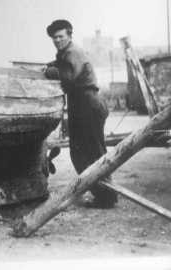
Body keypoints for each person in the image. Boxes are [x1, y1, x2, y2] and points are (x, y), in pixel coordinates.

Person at [44, 19, 118, 208]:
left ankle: (107, 197)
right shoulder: (65, 53)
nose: (57, 40)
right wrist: (52, 64)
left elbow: (68, 77)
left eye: (61, 36)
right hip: (80, 105)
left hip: (88, 105)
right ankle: (101, 193)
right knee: (80, 152)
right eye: (54, 38)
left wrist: (49, 71)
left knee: (93, 153)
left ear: (69, 36)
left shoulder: (73, 52)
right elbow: (63, 64)